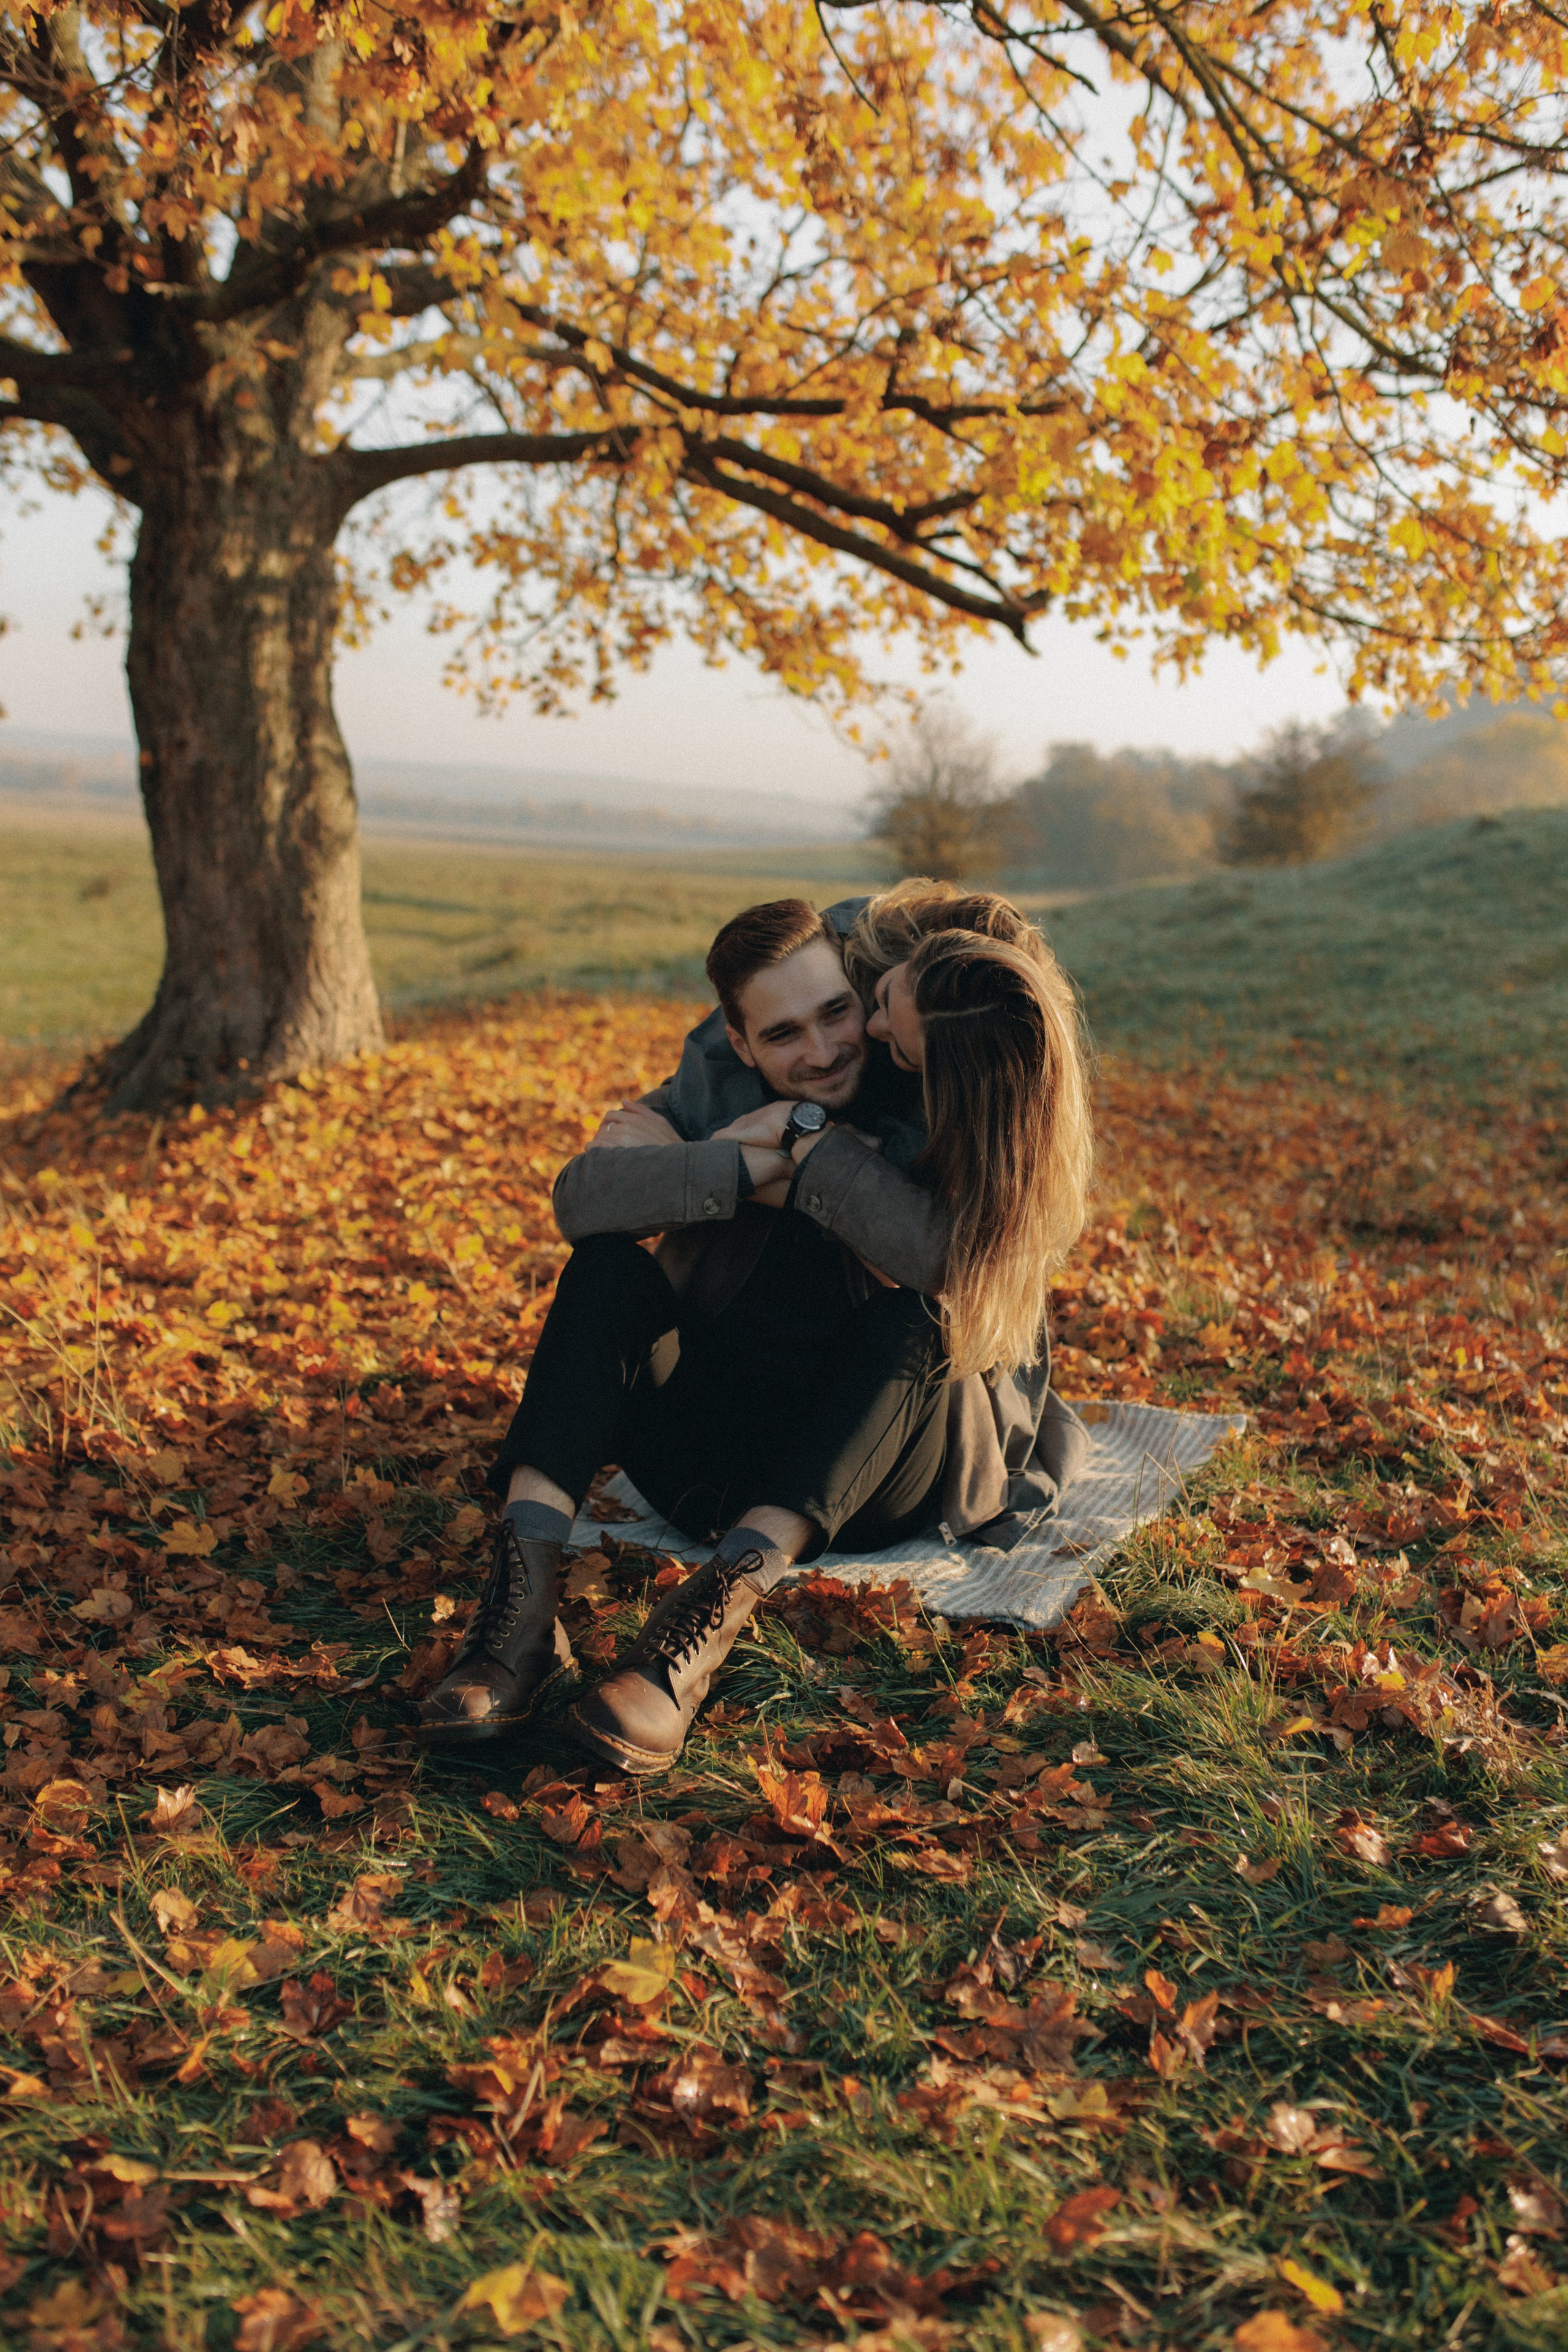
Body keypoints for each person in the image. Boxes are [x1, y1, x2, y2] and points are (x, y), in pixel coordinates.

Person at [418, 885, 1093, 1774]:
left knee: (922, 1316)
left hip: (863, 1475)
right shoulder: (724, 1067)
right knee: (607, 1270)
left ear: (865, 995)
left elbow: (942, 1263)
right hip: (705, 1458)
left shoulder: (954, 1062)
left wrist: (806, 1149)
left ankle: (689, 1644)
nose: (821, 1051)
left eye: (838, 1017)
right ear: (740, 1039)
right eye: (782, 1035)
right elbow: (584, 1197)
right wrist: (741, 1163)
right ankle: (517, 1618)